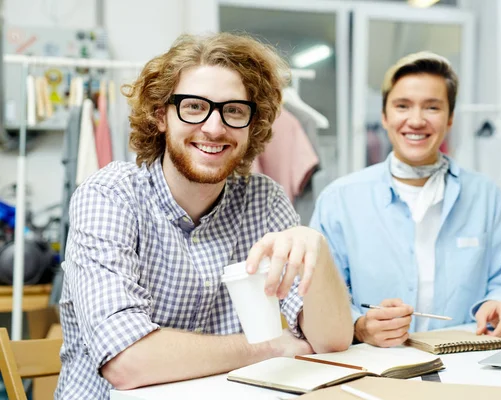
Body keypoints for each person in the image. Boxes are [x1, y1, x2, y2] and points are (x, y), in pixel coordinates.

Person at [56, 33, 353, 399]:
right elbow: (126, 362)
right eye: (194, 107)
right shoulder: (110, 195)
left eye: (233, 110)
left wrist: (316, 249)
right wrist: (270, 346)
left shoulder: (264, 200)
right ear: (159, 115)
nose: (214, 127)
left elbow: (332, 341)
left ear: (251, 125)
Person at [310, 51, 501, 348]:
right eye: (402, 106)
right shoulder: (339, 200)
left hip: (466, 360)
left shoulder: (485, 196)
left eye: (432, 107)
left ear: (450, 117)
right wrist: (359, 325)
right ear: (385, 116)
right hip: (375, 364)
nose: (416, 121)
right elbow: (319, 294)